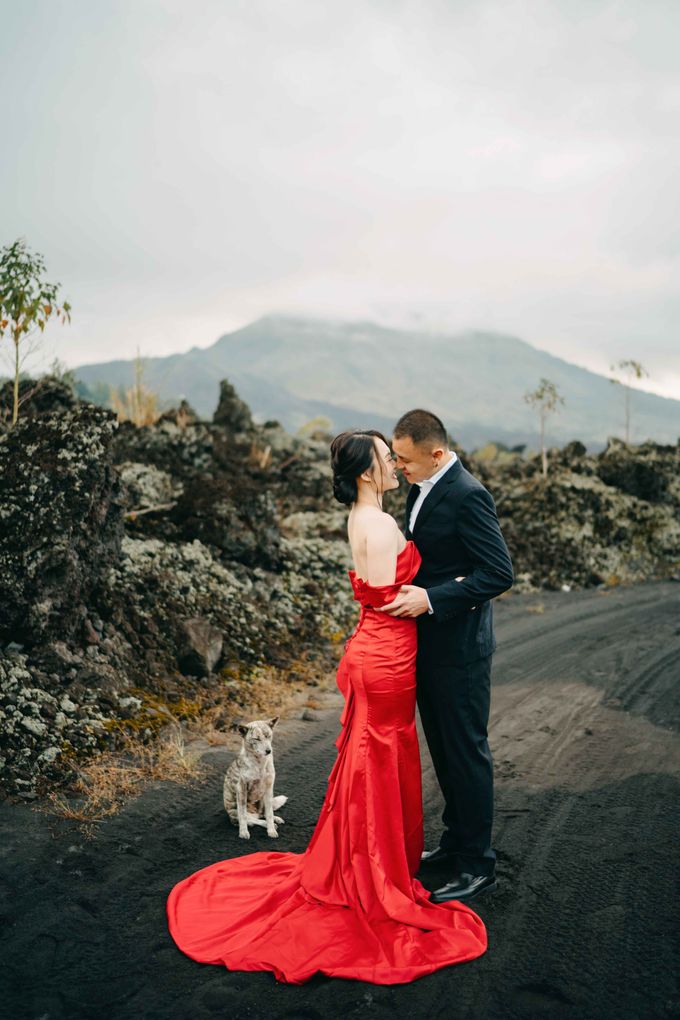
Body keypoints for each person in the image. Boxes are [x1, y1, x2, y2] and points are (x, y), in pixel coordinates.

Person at [166, 428, 488, 984]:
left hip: (371, 649)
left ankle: (361, 861)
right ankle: (372, 873)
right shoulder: (383, 523)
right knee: (380, 760)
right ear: (367, 472)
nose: (394, 463)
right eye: (388, 458)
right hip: (387, 654)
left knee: (367, 758)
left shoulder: (361, 519)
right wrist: (434, 595)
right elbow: (389, 599)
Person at [379, 409, 514, 904]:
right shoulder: (421, 487)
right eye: (395, 457)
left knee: (466, 754)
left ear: (436, 454)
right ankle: (455, 844)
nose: (399, 467)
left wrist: (432, 599)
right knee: (444, 753)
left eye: (405, 459)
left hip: (461, 651)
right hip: (428, 647)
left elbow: (498, 573)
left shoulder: (469, 495)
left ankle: (478, 864)